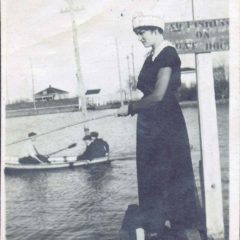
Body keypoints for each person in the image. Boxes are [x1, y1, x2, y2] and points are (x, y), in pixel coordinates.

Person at [117, 15, 201, 239]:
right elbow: (146, 92)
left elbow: (159, 95)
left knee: (169, 172)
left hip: (166, 123)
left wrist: (131, 108)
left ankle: (178, 226)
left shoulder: (168, 54)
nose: (139, 37)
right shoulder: (150, 57)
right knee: (151, 173)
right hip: (150, 123)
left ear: (155, 30)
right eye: (137, 33)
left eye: (142, 32)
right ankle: (156, 223)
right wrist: (132, 103)